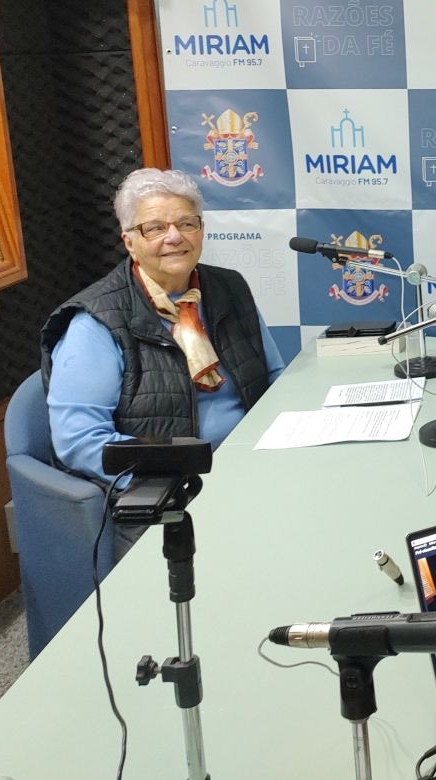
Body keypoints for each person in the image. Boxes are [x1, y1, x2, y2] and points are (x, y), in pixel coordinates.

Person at [41, 168, 285, 558]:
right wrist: (179, 479)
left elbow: (273, 379)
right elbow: (79, 441)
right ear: (130, 242)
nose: (174, 237)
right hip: (171, 499)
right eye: (154, 228)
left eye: (186, 223)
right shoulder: (95, 323)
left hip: (253, 469)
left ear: (201, 230)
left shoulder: (229, 287)